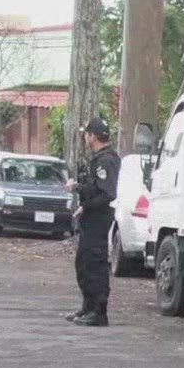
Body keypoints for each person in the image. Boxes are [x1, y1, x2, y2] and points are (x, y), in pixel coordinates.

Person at [67, 117, 121, 327]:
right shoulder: (98, 159)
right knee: (84, 263)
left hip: (99, 219)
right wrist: (81, 193)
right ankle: (88, 307)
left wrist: (84, 201)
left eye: (87, 134)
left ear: (93, 136)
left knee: (95, 264)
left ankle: (99, 312)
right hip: (90, 218)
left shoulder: (106, 160)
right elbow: (95, 188)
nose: (85, 137)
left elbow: (107, 193)